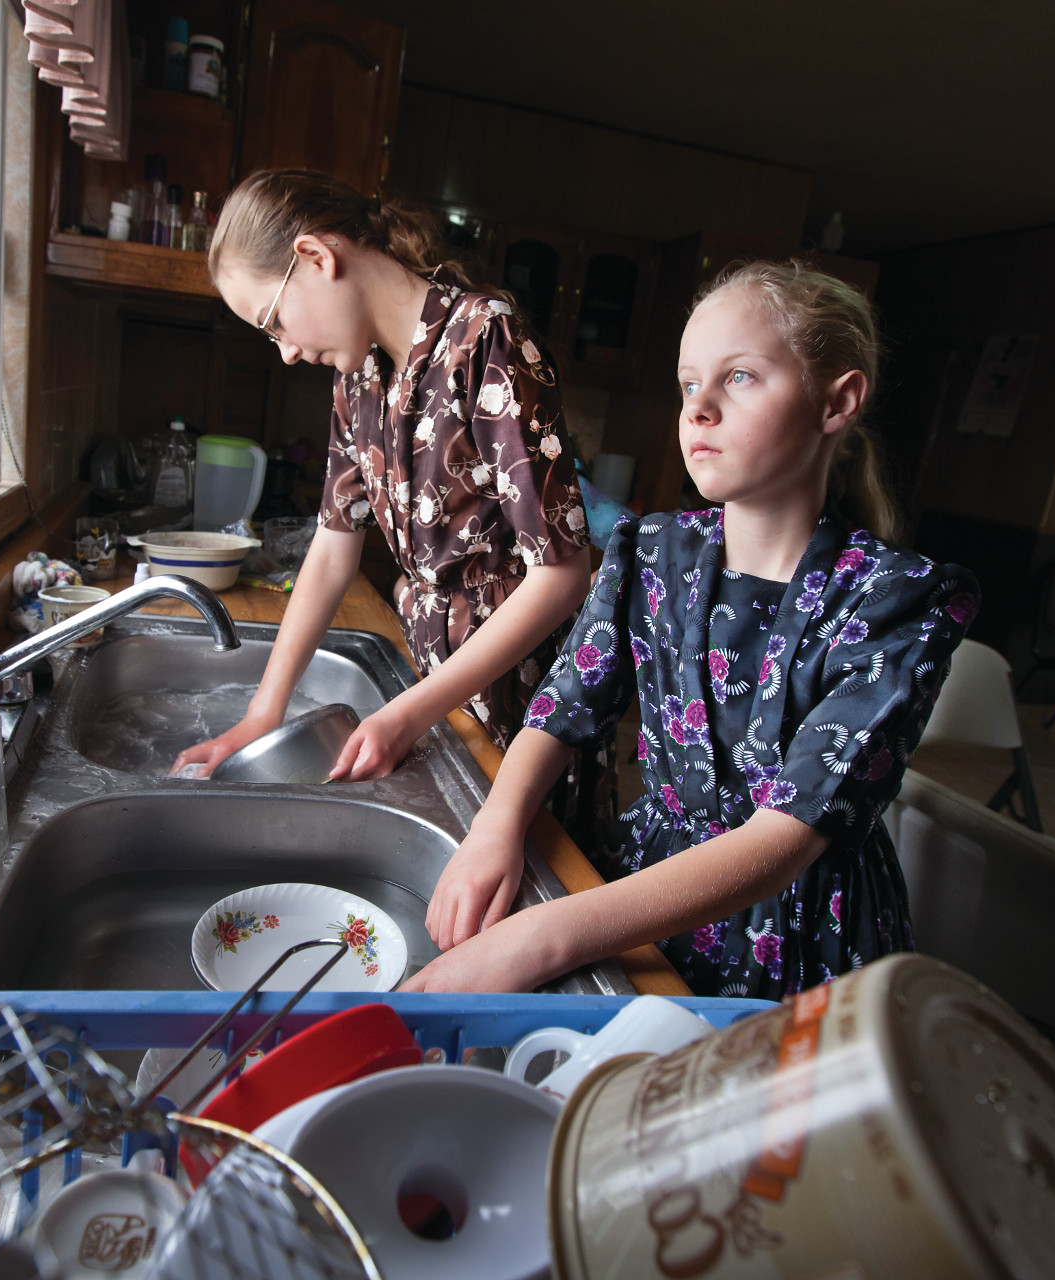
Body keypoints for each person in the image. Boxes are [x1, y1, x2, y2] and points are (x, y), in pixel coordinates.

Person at [407, 260, 980, 997]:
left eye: (739, 377)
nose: (698, 408)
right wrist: (498, 825)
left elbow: (785, 837)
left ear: (837, 403)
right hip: (642, 889)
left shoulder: (901, 599)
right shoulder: (651, 552)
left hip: (800, 934)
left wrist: (545, 935)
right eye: (688, 384)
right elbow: (563, 707)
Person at [172, 170, 596, 784]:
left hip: (523, 711)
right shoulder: (359, 377)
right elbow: (332, 547)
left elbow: (561, 576)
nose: (285, 351)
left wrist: (406, 717)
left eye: (274, 321)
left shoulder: (484, 340)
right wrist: (261, 715)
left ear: (316, 257)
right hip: (437, 697)